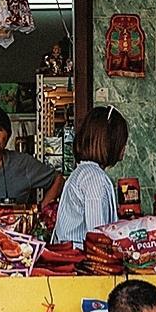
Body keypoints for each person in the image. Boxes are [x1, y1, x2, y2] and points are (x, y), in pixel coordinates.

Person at [53, 104, 128, 247]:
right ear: (110, 142)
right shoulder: (95, 179)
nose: (124, 147)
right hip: (83, 262)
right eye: (122, 141)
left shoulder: (84, 172)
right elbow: (97, 237)